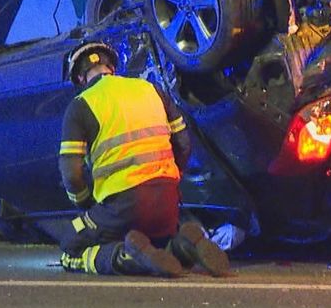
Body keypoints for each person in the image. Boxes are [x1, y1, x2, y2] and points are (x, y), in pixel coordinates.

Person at [55, 40, 229, 277]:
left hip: (123, 206)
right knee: (153, 242)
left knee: (70, 245)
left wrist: (86, 204)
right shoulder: (151, 89)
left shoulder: (80, 105)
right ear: (112, 67)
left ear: (79, 78)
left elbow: (71, 175)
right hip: (167, 203)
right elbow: (184, 143)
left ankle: (126, 257)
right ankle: (184, 246)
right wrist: (171, 179)